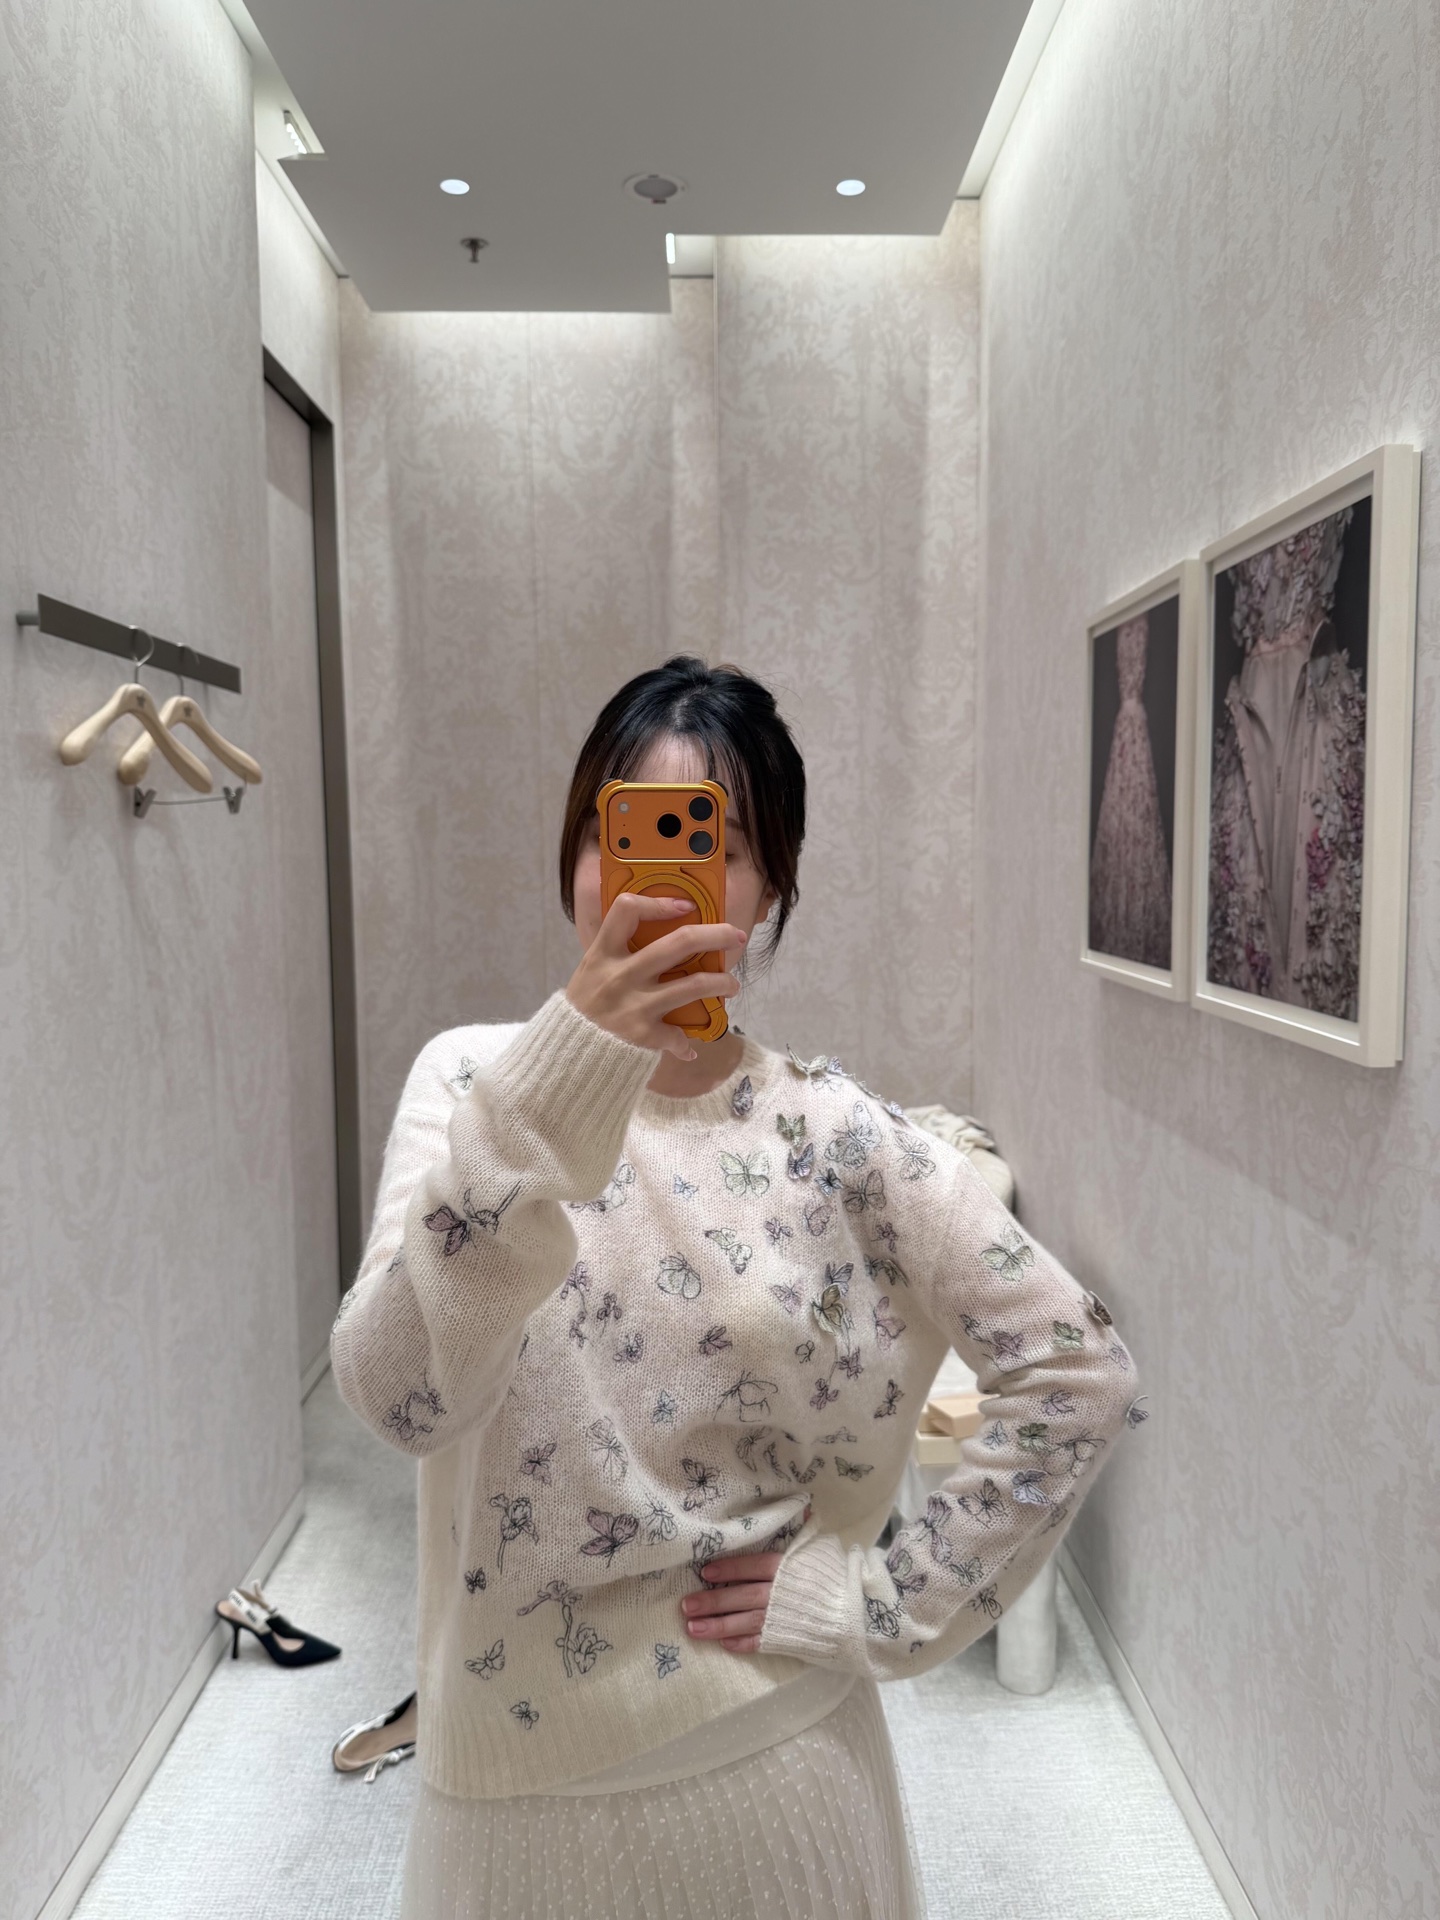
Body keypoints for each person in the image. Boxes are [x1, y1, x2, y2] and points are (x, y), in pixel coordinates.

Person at [331, 656, 1142, 1919]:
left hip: (777, 1771)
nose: (653, 882)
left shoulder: (836, 1133)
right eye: (620, 830)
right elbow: (401, 1403)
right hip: (509, 1793)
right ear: (577, 851)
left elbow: (1078, 1370)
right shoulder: (476, 1090)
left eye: (711, 842)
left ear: (769, 891)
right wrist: (559, 1081)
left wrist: (879, 1604)